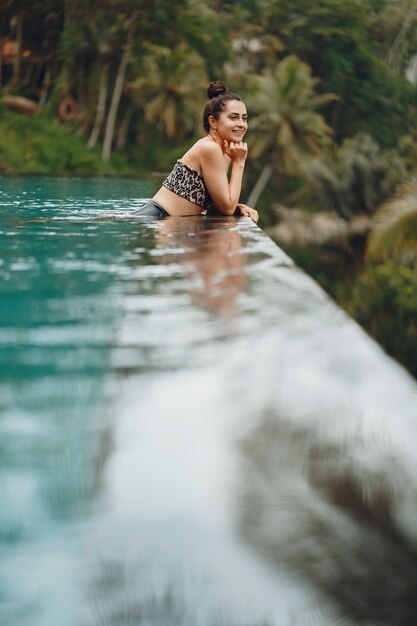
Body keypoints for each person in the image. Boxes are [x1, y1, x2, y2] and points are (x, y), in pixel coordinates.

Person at [134, 81, 259, 223]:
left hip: (164, 221)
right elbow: (227, 208)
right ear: (213, 122)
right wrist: (239, 163)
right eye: (233, 117)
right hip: (155, 217)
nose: (241, 124)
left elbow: (218, 205)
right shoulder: (209, 148)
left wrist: (237, 206)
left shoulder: (223, 151)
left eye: (244, 118)